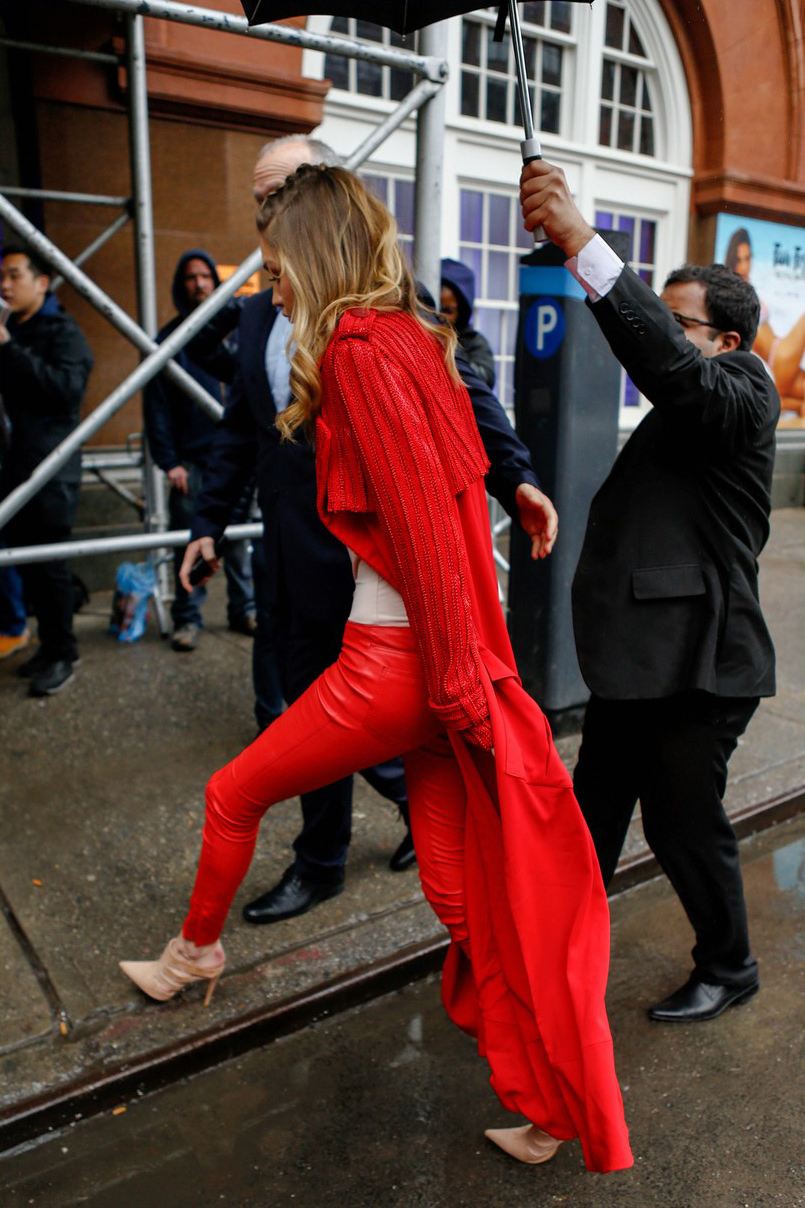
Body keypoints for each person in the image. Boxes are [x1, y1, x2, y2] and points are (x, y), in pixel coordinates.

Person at [119, 164, 632, 1174]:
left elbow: (424, 530)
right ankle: (547, 1099)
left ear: (307, 253)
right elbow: (451, 496)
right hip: (434, 659)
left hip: (402, 662)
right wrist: (509, 505)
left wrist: (453, 683)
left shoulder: (356, 347)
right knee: (461, 898)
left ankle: (195, 953)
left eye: (274, 263)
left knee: (233, 790)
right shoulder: (407, 339)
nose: (268, 281)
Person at [181, 135, 556, 920]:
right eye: (262, 199)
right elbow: (236, 432)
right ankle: (321, 861)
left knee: (351, 728)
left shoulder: (376, 325)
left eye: (284, 192)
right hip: (290, 548)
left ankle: (418, 832)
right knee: (288, 714)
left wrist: (514, 476)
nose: (269, 210)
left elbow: (463, 405)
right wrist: (206, 524)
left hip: (370, 569)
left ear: (323, 206)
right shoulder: (260, 314)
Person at [520, 159, 779, 1023]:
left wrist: (581, 244)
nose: (665, 336)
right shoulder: (689, 397)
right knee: (589, 820)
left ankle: (730, 966)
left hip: (702, 666)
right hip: (640, 660)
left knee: (679, 824)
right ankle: (556, 962)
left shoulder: (742, 393)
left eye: (680, 323)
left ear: (725, 342)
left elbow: (670, 369)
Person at [143, 250, 256, 652]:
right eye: (190, 277)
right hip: (191, 459)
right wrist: (169, 460)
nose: (199, 284)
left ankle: (244, 610)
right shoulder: (170, 338)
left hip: (238, 459)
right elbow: (155, 406)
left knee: (240, 541)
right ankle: (187, 618)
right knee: (189, 542)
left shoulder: (240, 333)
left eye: (206, 276)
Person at [0, 245, 93, 696]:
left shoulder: (61, 331)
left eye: (15, 275)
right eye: (2, 276)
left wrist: (9, 349)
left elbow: (66, 389)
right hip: (15, 466)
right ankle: (47, 646)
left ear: (42, 282)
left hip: (51, 471)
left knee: (50, 563)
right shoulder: (15, 330)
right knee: (28, 564)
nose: (4, 285)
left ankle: (64, 652)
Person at [724, 227, 805, 412]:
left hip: (780, 361)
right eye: (739, 260)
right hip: (779, 357)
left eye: (748, 258)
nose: (745, 266)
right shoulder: (733, 294)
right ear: (732, 261)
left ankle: (795, 406)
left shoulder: (748, 289)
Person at [440, 258, 496, 387]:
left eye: (447, 310)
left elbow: (485, 379)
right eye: (434, 309)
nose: (440, 317)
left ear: (461, 311)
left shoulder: (475, 343)